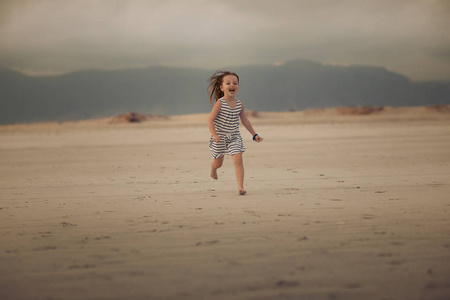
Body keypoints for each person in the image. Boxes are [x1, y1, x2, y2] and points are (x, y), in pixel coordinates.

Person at [207, 70, 263, 195]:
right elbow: (210, 120)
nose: (232, 85)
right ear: (222, 88)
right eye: (228, 83)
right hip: (220, 138)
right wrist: (215, 135)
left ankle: (240, 187)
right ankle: (213, 168)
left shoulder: (239, 104)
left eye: (235, 83)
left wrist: (254, 134)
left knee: (238, 159)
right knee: (218, 163)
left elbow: (245, 120)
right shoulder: (220, 103)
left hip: (234, 137)